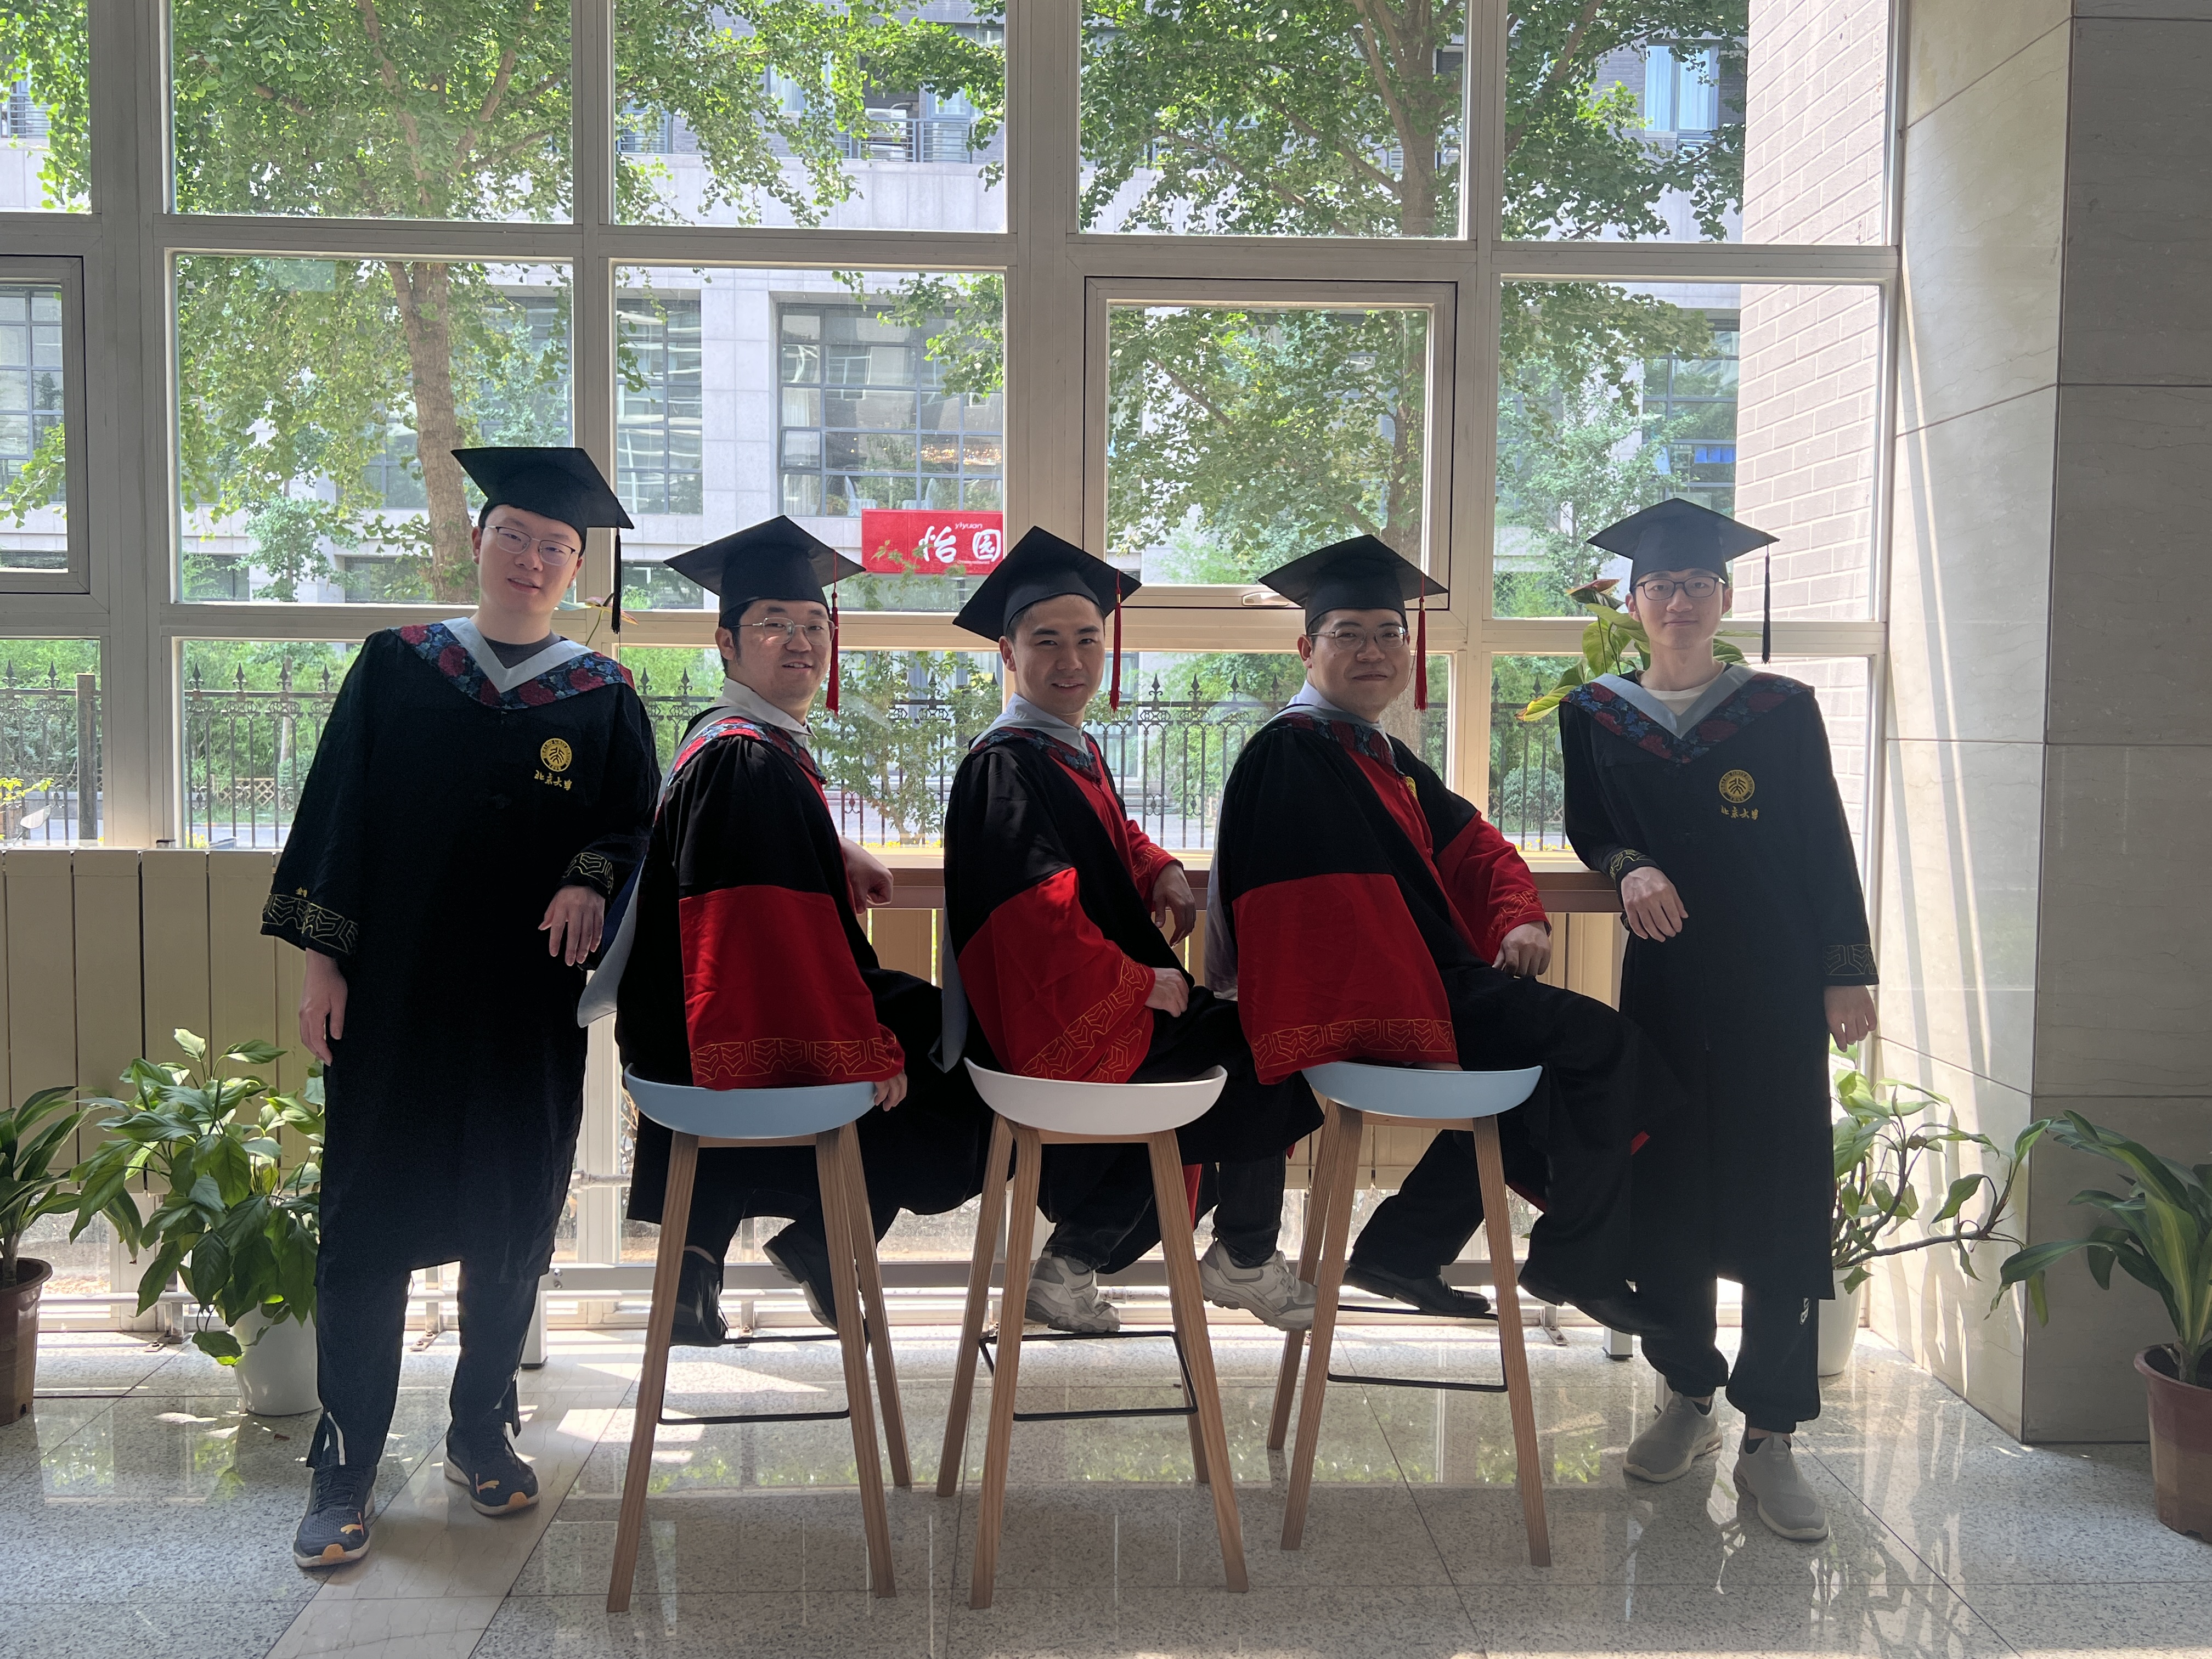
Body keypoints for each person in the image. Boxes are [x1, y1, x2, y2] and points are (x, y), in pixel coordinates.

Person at [267, 446, 658, 1568]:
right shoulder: (399, 665)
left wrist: (590, 875)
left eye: (557, 547)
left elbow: (639, 823)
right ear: (478, 541)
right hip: (394, 997)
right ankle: (346, 1460)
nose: (533, 559)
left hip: (522, 1010)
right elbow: (338, 813)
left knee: (509, 1215)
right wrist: (323, 963)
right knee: (366, 1222)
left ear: (576, 569)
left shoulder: (601, 695)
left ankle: (481, 1429)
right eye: (516, 536)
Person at [1206, 535, 1684, 1329]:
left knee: (1538, 1066)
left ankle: (1403, 1250)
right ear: (1307, 649)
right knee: (1602, 1048)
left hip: (1422, 982)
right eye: (1348, 634)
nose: (1374, 652)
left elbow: (1478, 849)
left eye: (1389, 634)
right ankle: (1578, 1263)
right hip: (1366, 1001)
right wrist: (1435, 985)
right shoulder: (1289, 753)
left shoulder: (1378, 752)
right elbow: (1306, 917)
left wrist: (1518, 914)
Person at [1560, 498, 1876, 1543]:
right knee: (1670, 1188)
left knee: (1783, 1192)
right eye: (1660, 585)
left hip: (1776, 984)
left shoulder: (1779, 708)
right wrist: (1628, 865)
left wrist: (1845, 970)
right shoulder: (1595, 713)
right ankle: (1688, 1396)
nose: (1679, 600)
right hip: (1665, 984)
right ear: (1635, 604)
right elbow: (1589, 826)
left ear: (1725, 599)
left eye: (1697, 584)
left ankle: (1772, 1435)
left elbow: (1824, 839)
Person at [603, 518, 991, 1337]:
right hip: (727, 1017)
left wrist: (831, 848)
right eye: (774, 623)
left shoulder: (729, 740)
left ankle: (700, 1259)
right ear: (727, 643)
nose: (801, 641)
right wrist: (860, 1046)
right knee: (961, 1049)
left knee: (921, 1020)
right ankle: (829, 1239)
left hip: (682, 1020)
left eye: (815, 624)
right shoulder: (746, 759)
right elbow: (766, 940)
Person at [941, 528, 1323, 1334]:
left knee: (1236, 1072)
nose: (1071, 660)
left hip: (1082, 1003)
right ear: (1008, 653)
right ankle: (1244, 1256)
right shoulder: (1005, 764)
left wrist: (1159, 869)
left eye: (1088, 639)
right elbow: (1034, 915)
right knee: (1263, 1050)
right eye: (1047, 641)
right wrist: (1138, 981)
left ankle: (1071, 1266)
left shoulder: (1065, 750)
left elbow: (1107, 840)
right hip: (1053, 1018)